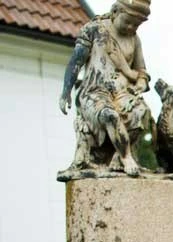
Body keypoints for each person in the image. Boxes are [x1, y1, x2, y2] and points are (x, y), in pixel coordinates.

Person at [59, 0, 153, 177]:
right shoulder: (94, 29)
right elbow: (76, 62)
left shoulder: (134, 39)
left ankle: (118, 156)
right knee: (109, 115)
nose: (131, 27)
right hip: (94, 91)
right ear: (116, 12)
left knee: (141, 112)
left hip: (122, 92)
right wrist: (66, 92)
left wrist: (141, 82)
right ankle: (126, 157)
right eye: (128, 21)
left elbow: (141, 70)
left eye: (136, 25)